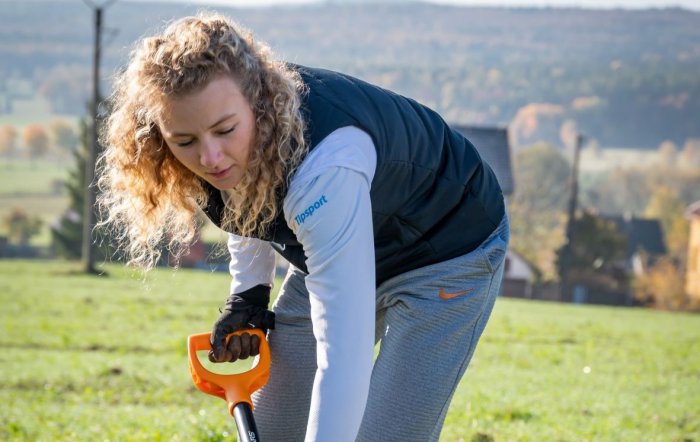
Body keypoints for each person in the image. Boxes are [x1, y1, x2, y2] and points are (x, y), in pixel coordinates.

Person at [98, 12, 509, 442]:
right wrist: (249, 292)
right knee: (276, 428)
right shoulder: (199, 152)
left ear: (258, 106)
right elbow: (250, 199)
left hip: (446, 247)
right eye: (185, 141)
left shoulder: (325, 170)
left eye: (225, 130)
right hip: (340, 242)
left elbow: (343, 356)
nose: (211, 158)